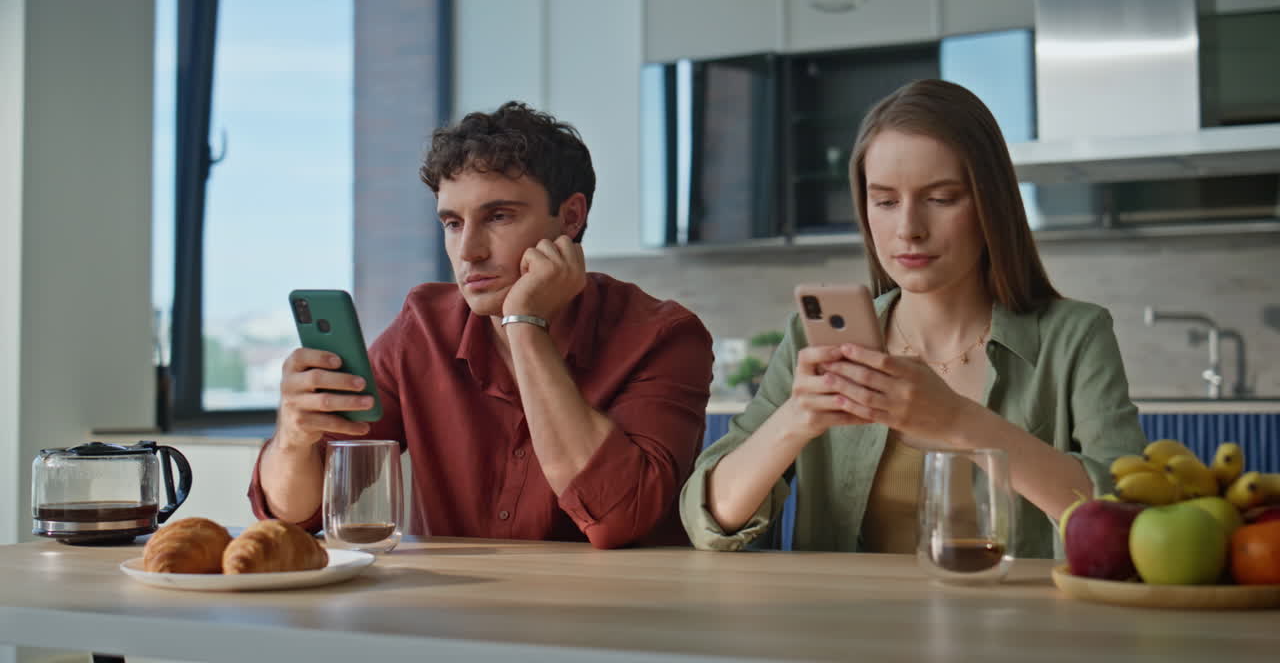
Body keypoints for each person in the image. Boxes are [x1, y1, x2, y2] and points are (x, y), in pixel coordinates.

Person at [680, 79, 1146, 557]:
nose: (908, 229)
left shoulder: (1076, 336)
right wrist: (796, 420)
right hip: (850, 626)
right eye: (884, 201)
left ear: (991, 203)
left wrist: (959, 422)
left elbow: (1132, 521)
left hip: (1016, 627)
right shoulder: (812, 341)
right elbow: (709, 518)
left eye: (941, 199)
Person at [250, 102, 714, 549]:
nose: (469, 250)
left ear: (571, 217)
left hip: (616, 616)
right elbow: (296, 516)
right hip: (456, 613)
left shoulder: (663, 337)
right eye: (452, 223)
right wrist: (294, 437)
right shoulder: (424, 328)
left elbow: (617, 518)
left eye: (498, 217)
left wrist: (525, 323)